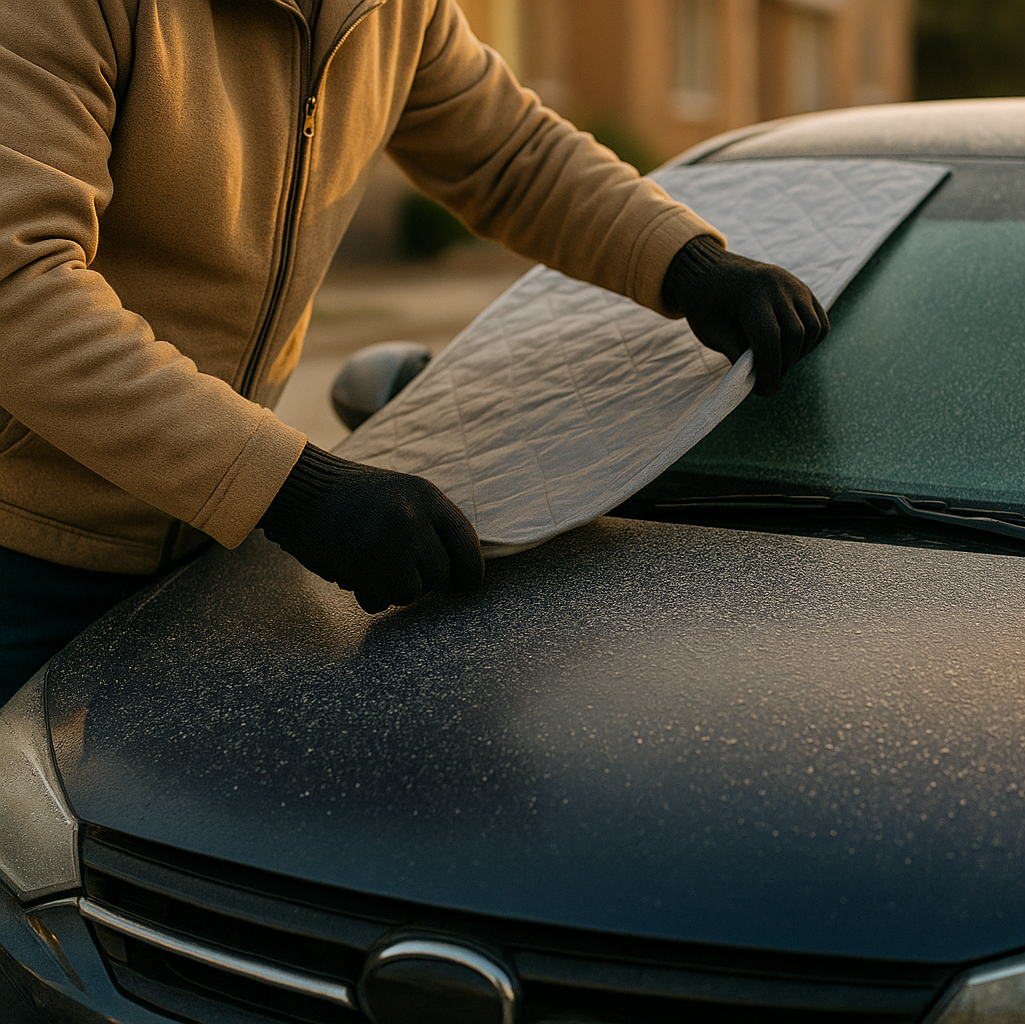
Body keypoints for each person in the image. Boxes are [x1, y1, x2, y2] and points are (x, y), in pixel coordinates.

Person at [0, 0, 829, 700]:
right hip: (25, 549)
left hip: (210, 544)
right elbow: (18, 288)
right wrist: (293, 491)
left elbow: (511, 155)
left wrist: (687, 263)